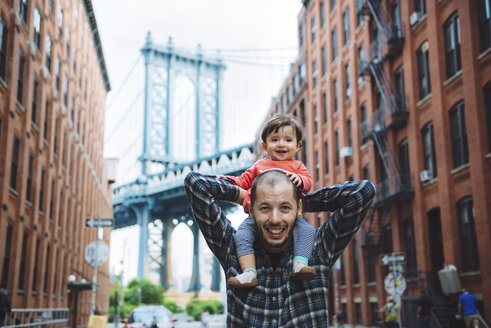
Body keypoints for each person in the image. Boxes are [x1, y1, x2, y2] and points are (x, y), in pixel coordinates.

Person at [184, 168, 375, 327]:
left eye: (285, 208)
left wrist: (302, 201)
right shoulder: (233, 248)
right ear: (251, 210)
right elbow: (196, 184)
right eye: (265, 207)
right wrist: (243, 196)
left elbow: (362, 192)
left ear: (298, 209)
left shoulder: (319, 247)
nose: (275, 219)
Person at [218, 114, 315, 288]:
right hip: (256, 219)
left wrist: (301, 181)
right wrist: (228, 181)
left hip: (292, 219)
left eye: (288, 140)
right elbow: (242, 181)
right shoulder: (258, 166)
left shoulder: (298, 167)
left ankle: (300, 265)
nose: (281, 144)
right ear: (264, 146)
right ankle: (249, 272)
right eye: (275, 139)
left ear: (298, 145)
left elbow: (308, 183)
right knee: (242, 235)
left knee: (307, 230)